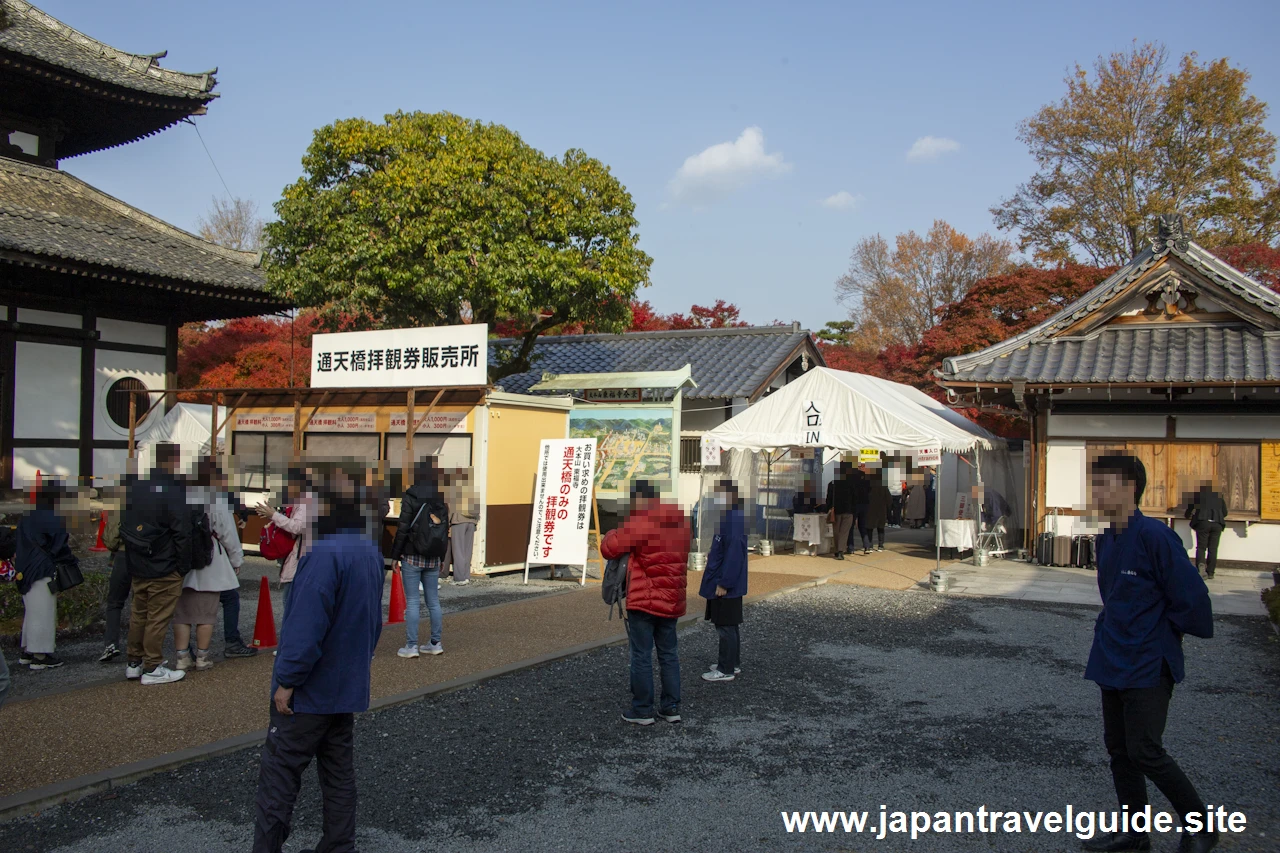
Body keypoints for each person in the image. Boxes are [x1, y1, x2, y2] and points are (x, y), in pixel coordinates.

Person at [1083, 454, 1217, 853]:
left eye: (1102, 484)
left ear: (1127, 489)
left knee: (1145, 750)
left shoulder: (1156, 537)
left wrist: (1160, 634)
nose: (1095, 492)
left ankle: (1201, 827)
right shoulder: (1107, 536)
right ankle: (1134, 832)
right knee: (1119, 750)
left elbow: (1191, 599)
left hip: (1147, 659)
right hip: (1112, 653)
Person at [251, 464, 385, 853]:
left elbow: (305, 628)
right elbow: (372, 623)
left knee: (280, 774)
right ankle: (339, 845)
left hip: (310, 689)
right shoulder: (369, 549)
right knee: (338, 772)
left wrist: (288, 681)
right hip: (346, 683)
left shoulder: (322, 555)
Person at [601, 480, 691, 726]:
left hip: (644, 600)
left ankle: (643, 710)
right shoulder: (680, 520)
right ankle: (671, 707)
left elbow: (609, 547)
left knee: (641, 654)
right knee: (669, 654)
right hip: (672, 599)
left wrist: (611, 531)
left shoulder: (641, 520)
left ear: (638, 499)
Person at [122, 442, 192, 685]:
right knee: (158, 617)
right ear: (174, 461)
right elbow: (183, 532)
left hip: (138, 560)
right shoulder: (175, 490)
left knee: (139, 613)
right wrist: (182, 566)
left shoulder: (136, 487)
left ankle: (134, 662)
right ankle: (153, 666)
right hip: (165, 563)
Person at [173, 462, 245, 673]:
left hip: (183, 562)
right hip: (210, 562)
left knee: (182, 614)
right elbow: (228, 534)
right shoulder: (216, 500)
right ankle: (202, 658)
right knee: (206, 615)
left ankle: (182, 658)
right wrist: (236, 560)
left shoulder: (181, 497)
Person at [16, 481, 76, 670]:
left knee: (31, 611)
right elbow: (59, 547)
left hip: (24, 567)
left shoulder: (27, 515)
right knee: (43, 612)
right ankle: (40, 655)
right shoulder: (54, 517)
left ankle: (27, 650)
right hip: (43, 568)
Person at [390, 460, 448, 658]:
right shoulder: (440, 498)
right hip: (433, 557)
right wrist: (442, 557)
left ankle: (411, 646)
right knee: (433, 601)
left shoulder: (411, 495)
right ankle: (435, 643)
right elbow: (443, 531)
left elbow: (403, 527)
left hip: (412, 556)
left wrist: (394, 556)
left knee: (413, 601)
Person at [256, 470, 313, 643]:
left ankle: (292, 644)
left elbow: (297, 527)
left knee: (293, 605)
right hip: (299, 559)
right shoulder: (301, 500)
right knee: (296, 604)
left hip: (299, 561)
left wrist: (274, 515)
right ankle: (296, 642)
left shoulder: (306, 501)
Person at [700, 481, 748, 683]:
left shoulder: (733, 521)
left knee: (725, 626)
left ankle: (725, 668)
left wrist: (724, 582)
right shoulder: (730, 518)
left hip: (726, 583)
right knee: (730, 624)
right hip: (724, 580)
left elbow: (734, 555)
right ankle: (732, 663)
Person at [99, 478, 132, 663]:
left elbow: (110, 538)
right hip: (144, 557)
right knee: (141, 602)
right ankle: (138, 645)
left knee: (115, 602)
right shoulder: (151, 504)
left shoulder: (119, 508)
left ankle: (111, 644)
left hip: (121, 555)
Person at [1184, 484, 1227, 580]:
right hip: (1217, 524)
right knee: (1213, 548)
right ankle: (1211, 572)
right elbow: (1225, 512)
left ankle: (1201, 567)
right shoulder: (1219, 496)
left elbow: (1190, 508)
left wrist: (1187, 515)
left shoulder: (1198, 495)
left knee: (1201, 547)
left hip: (1203, 522)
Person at [442, 469, 477, 586]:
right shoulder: (471, 489)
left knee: (458, 551)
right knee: (467, 551)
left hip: (458, 521)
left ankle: (459, 578)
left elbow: (450, 509)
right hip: (471, 521)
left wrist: (447, 523)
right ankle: (466, 576)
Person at [825, 462, 856, 560]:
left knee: (836, 531)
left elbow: (828, 498)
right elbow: (855, 498)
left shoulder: (833, 483)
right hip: (848, 510)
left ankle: (836, 550)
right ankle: (840, 551)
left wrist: (828, 508)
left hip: (836, 510)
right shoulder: (852, 483)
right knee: (844, 531)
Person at [866, 471, 891, 552]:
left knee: (869, 528)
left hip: (870, 509)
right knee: (880, 528)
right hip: (881, 509)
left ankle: (869, 545)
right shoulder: (883, 486)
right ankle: (880, 545)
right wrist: (888, 508)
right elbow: (889, 499)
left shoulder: (868, 485)